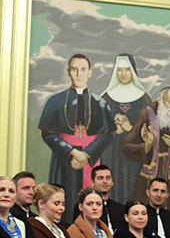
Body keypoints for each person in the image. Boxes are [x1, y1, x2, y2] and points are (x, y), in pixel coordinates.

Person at [38, 54, 113, 224]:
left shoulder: (99, 102)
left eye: (83, 69)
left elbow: (108, 135)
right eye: (74, 69)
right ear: (68, 72)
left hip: (90, 160)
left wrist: (86, 154)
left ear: (90, 72)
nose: (79, 74)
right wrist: (72, 152)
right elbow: (48, 133)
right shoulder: (56, 101)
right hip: (64, 159)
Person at [100, 54, 152, 203]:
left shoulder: (144, 99)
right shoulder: (107, 98)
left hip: (135, 155)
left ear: (133, 72)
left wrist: (129, 128)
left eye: (127, 70)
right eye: (120, 70)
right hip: (112, 154)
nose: (123, 74)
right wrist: (116, 130)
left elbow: (150, 130)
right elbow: (100, 128)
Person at [84, 164, 125, 233]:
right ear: (92, 183)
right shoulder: (85, 207)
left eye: (108, 178)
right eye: (100, 178)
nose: (105, 181)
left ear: (112, 182)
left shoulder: (121, 209)